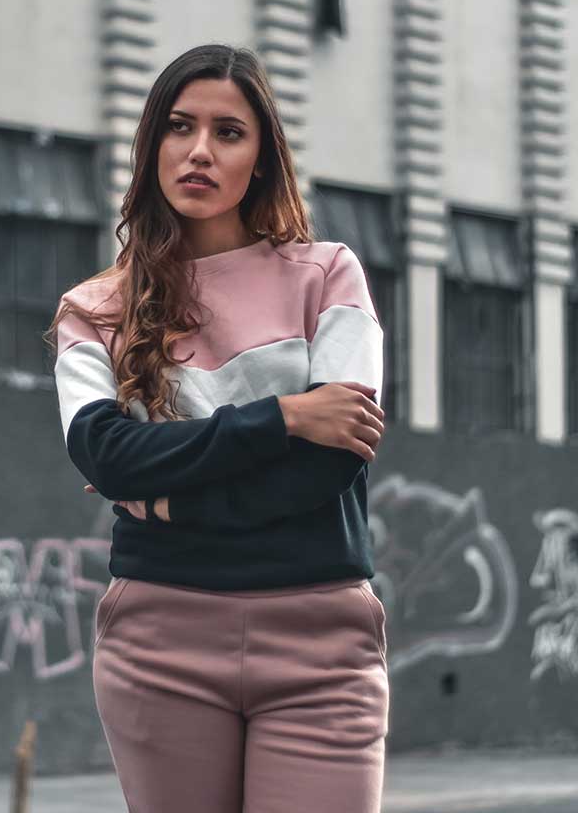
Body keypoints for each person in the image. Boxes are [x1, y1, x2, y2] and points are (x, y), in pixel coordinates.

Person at [47, 44, 388, 813]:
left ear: (261, 159)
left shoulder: (328, 275)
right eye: (179, 127)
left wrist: (170, 502)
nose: (200, 151)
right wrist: (285, 415)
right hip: (159, 643)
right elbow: (108, 453)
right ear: (152, 147)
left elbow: (330, 464)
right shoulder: (94, 309)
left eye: (228, 132)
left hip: (320, 643)